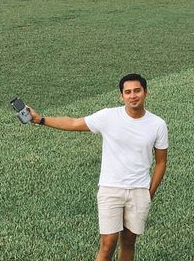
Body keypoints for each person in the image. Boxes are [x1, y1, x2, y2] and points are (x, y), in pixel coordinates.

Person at [27, 74, 168, 261]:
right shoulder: (108, 116)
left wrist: (150, 192)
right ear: (121, 96)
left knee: (128, 241)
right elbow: (73, 123)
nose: (133, 95)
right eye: (128, 92)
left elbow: (161, 162)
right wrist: (40, 119)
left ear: (145, 93)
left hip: (139, 190)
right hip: (111, 188)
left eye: (137, 91)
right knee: (108, 243)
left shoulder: (157, 124)